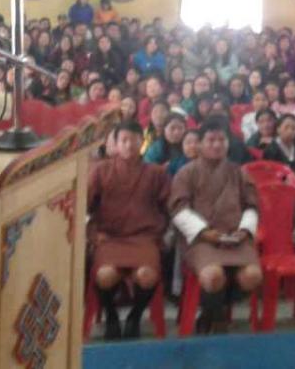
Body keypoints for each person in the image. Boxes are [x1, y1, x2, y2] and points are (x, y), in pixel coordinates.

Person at [169, 119, 262, 334]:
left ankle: (213, 311)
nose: (217, 145)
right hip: (201, 240)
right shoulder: (186, 173)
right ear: (200, 144)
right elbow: (178, 209)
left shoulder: (239, 172)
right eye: (211, 140)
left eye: (222, 140)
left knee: (252, 277)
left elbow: (252, 205)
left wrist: (244, 231)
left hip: (236, 238)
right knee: (213, 276)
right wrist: (204, 232)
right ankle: (217, 316)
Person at [87, 122, 170, 340]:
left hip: (144, 238)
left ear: (142, 142)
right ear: (115, 144)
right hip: (110, 238)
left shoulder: (156, 172)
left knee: (147, 276)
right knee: (105, 276)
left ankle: (135, 316)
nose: (129, 145)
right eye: (123, 140)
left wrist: (160, 233)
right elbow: (84, 207)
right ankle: (111, 316)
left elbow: (168, 207)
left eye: (134, 139)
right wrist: (92, 234)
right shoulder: (100, 171)